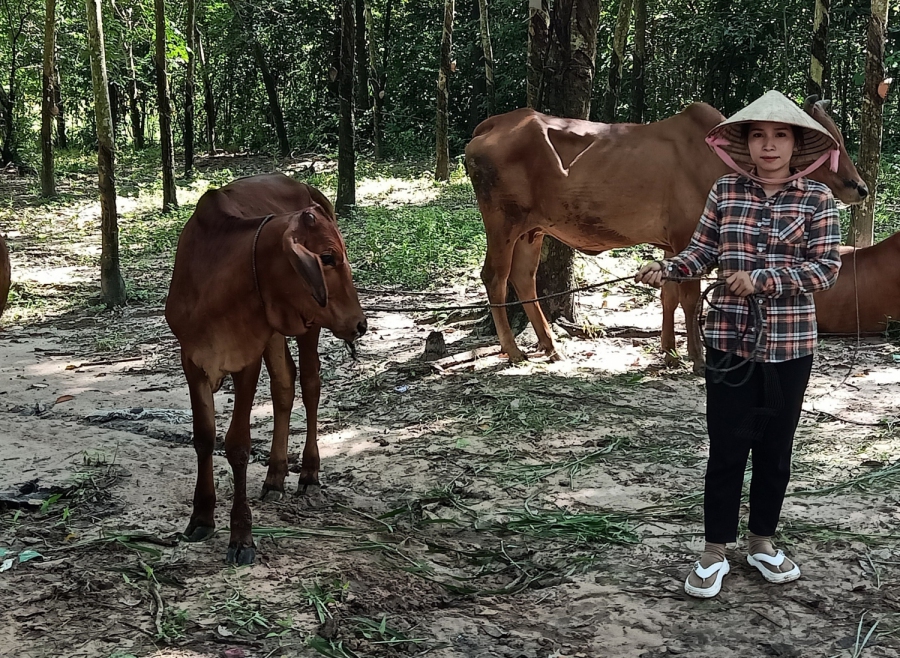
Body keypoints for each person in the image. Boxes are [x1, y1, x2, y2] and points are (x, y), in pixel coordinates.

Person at [635, 90, 843, 598]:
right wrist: (667, 269)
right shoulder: (725, 190)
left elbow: (826, 269)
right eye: (758, 135)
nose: (768, 145)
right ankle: (713, 552)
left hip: (790, 346)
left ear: (796, 145)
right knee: (727, 447)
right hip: (729, 341)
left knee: (776, 451)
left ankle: (763, 542)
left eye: (780, 136)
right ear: (745, 144)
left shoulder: (818, 199)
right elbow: (702, 250)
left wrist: (765, 279)